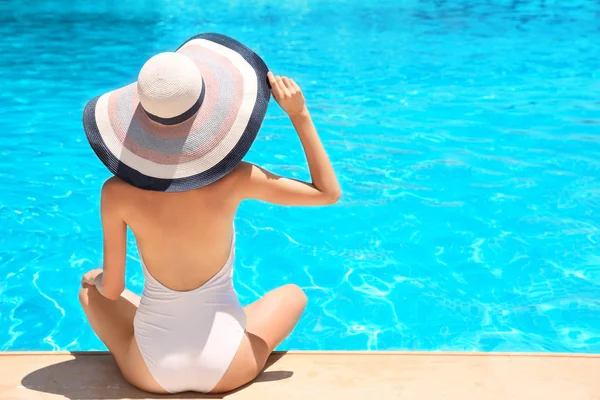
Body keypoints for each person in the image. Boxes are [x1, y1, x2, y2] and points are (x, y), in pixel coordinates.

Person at [78, 33, 340, 394]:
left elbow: (114, 290)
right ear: (209, 113)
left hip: (151, 371)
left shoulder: (117, 193)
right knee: (294, 293)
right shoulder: (236, 179)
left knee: (90, 289)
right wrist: (300, 115)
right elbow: (326, 194)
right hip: (230, 366)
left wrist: (96, 279)